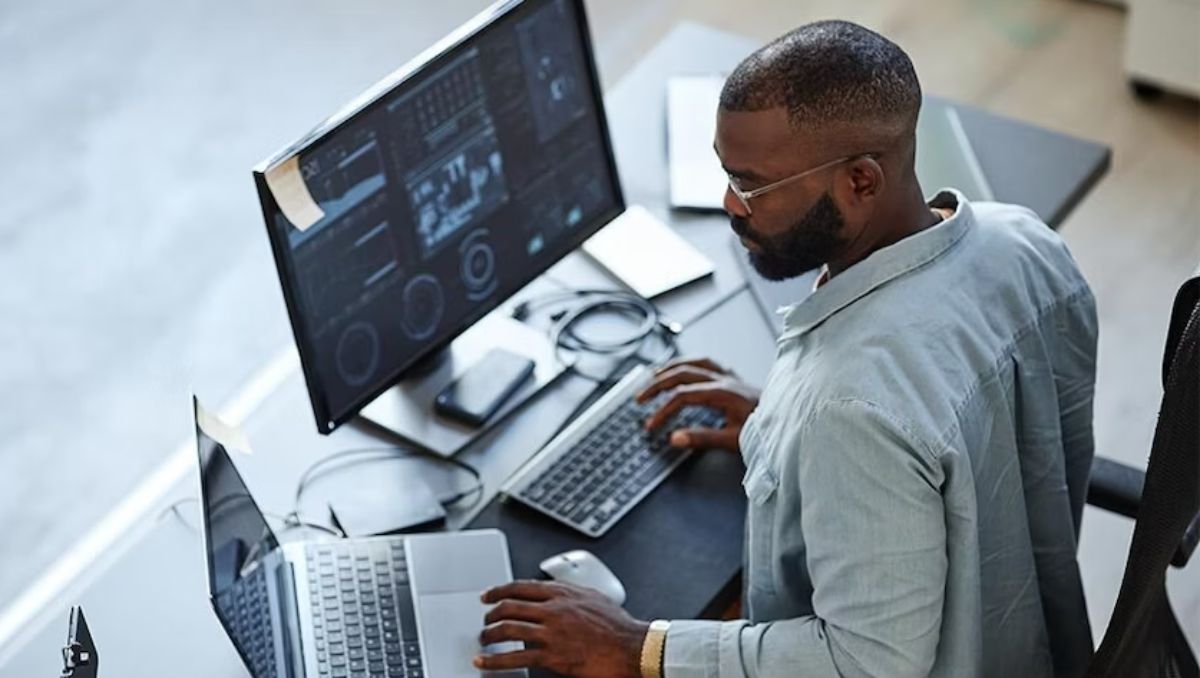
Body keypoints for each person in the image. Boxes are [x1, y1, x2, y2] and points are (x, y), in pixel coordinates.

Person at [474, 19, 1098, 678]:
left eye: (751, 186)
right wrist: (784, 429)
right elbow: (963, 420)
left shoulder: (851, 408)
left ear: (861, 181)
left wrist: (639, 648)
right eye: (724, 172)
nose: (729, 205)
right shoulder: (1025, 241)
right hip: (1034, 639)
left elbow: (869, 664)